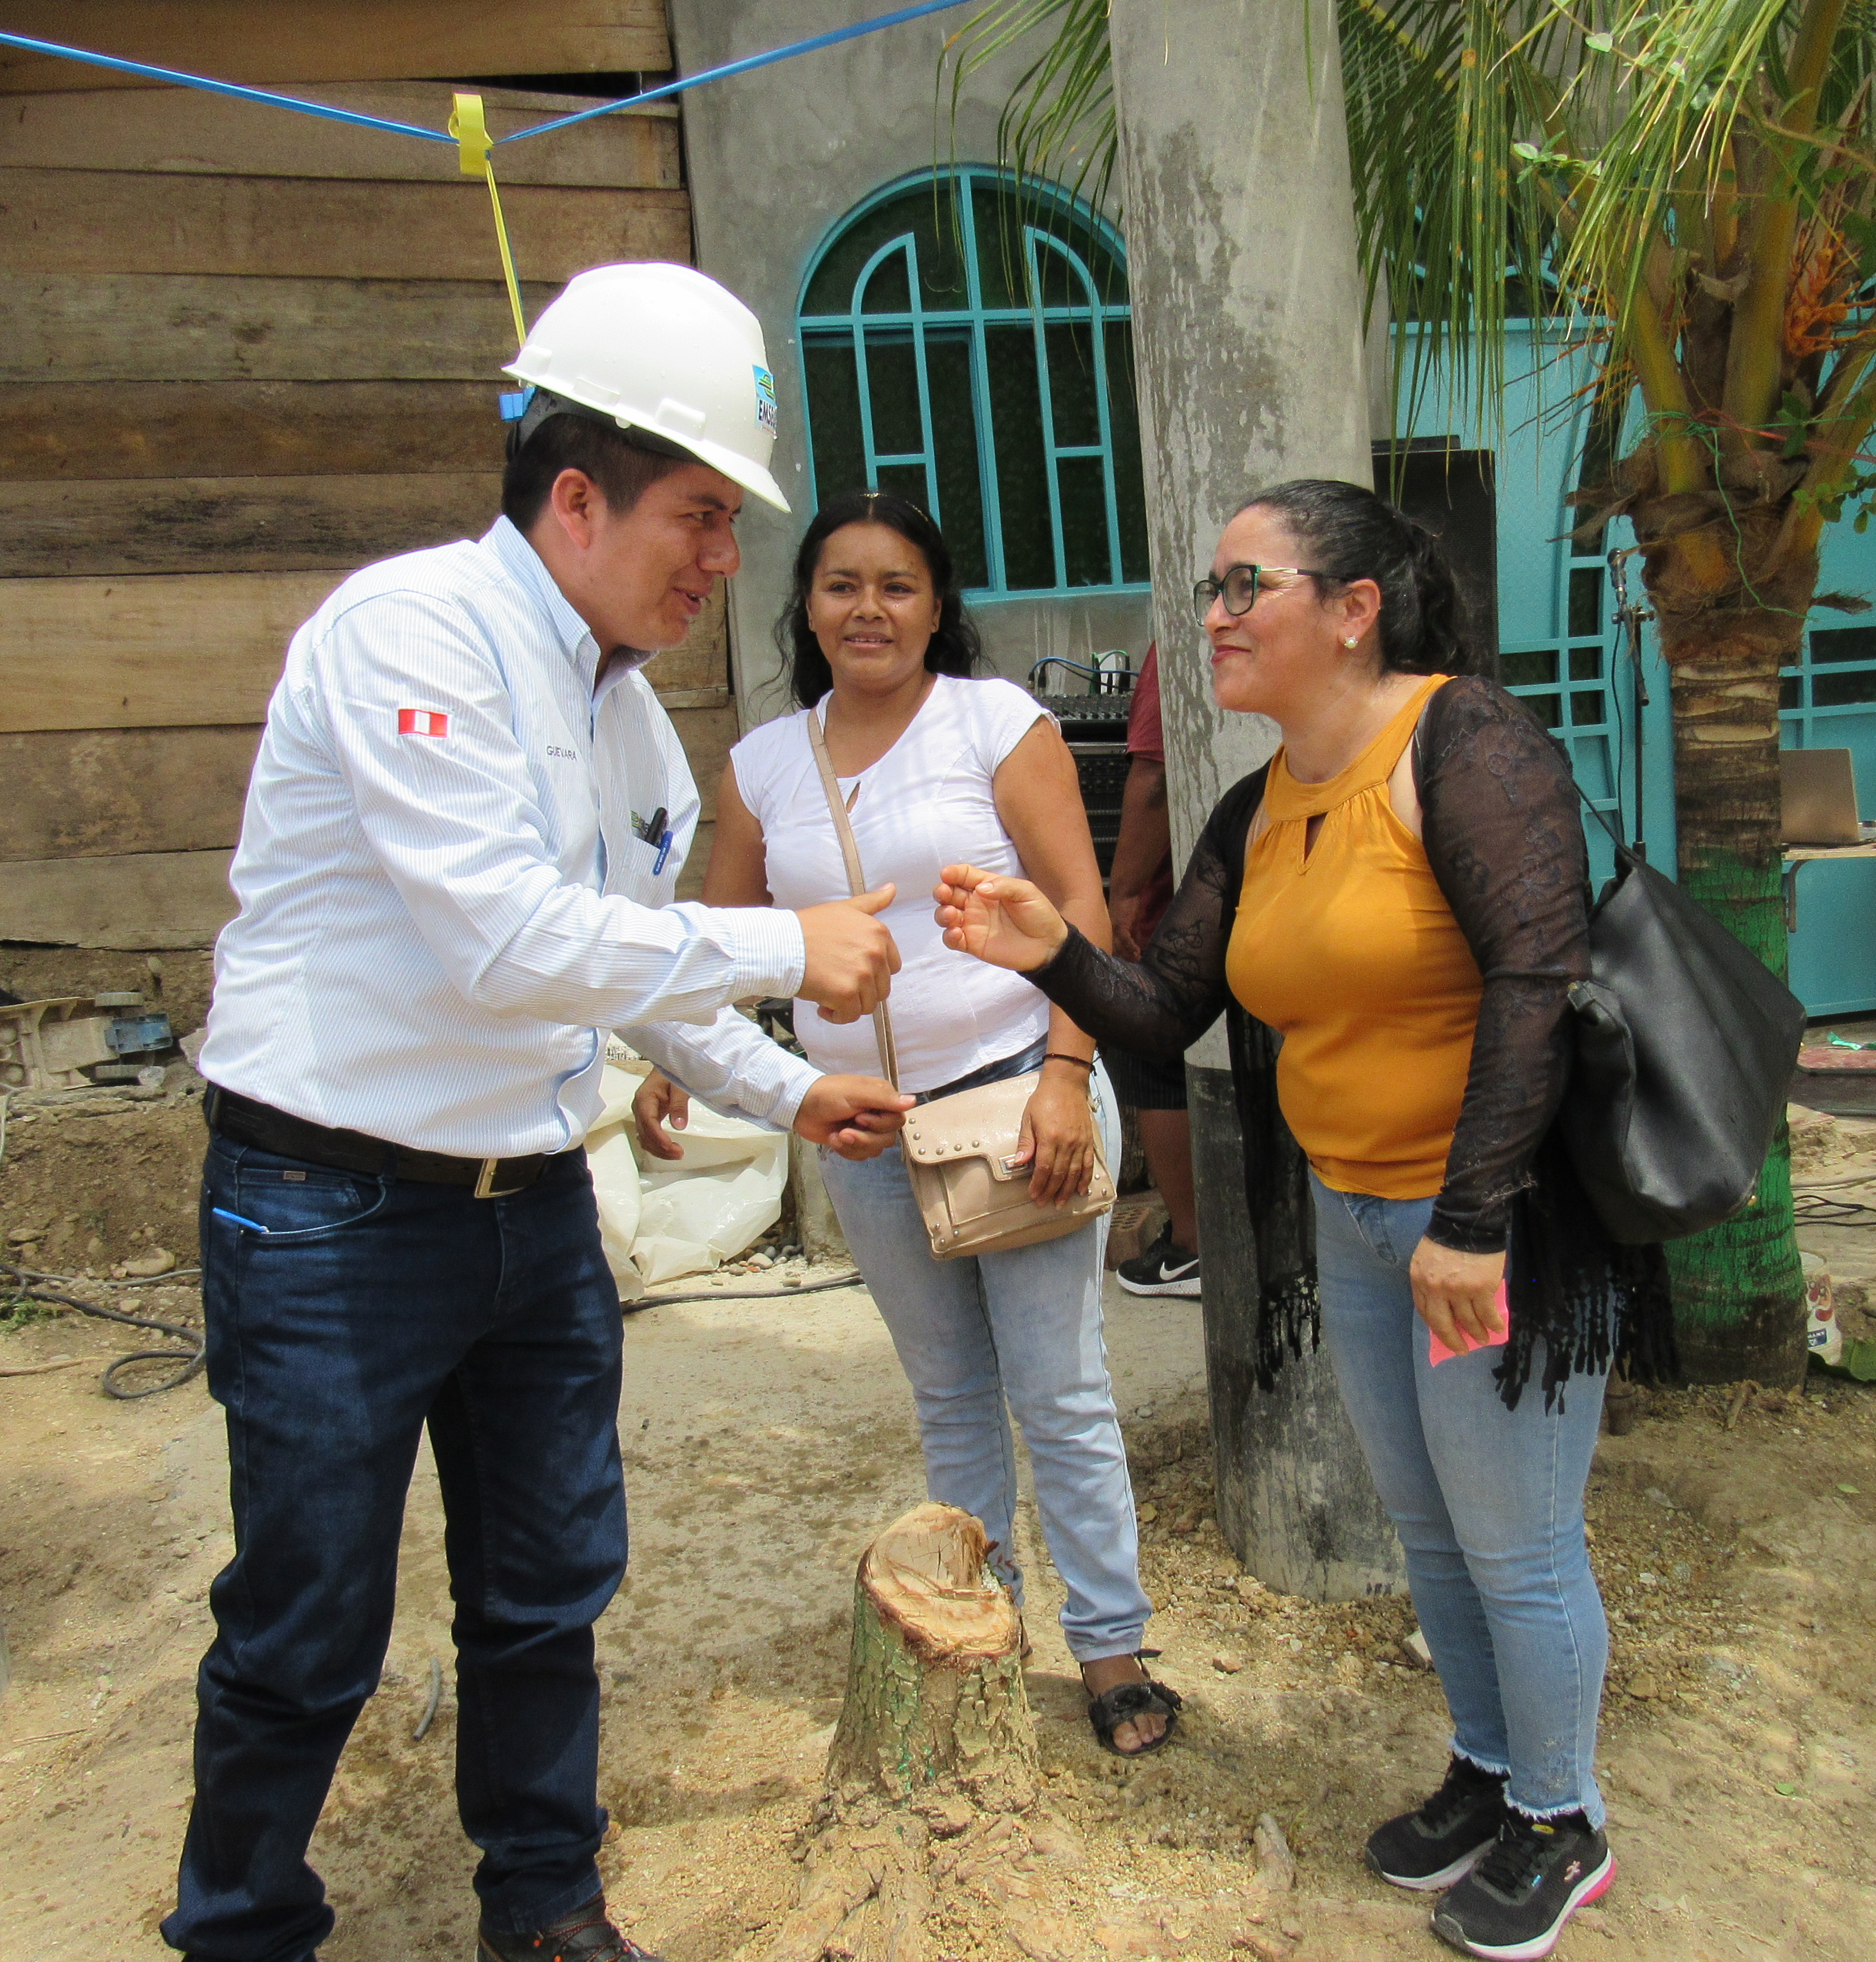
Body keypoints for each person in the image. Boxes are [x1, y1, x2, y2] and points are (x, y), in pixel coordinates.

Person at [170, 264, 916, 1962]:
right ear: (577, 500)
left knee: (545, 1585)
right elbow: (509, 942)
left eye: (731, 526)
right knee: (306, 1618)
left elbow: (630, 976)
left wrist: (795, 1089)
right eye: (701, 518)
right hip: (330, 1215)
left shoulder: (623, 712)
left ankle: (544, 1901)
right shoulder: (408, 637)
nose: (726, 564)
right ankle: (241, 1924)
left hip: (526, 1212)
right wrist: (789, 942)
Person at [932, 480, 1673, 1961]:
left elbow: (1537, 984)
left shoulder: (1466, 745)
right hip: (1355, 1215)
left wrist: (1471, 1221)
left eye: (1243, 584)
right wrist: (1053, 952)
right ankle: (1486, 1772)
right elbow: (1168, 1002)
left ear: (1354, 610)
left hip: (1496, 1223)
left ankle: (1563, 1819)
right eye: (1208, 588)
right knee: (1431, 1528)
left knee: (1518, 1539)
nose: (1210, 616)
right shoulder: (1262, 801)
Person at [635, 489, 1181, 1756]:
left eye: (896, 585)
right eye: (841, 585)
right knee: (949, 1398)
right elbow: (725, 946)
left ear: (938, 606)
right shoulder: (764, 764)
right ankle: (974, 1638)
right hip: (862, 1127)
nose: (868, 608)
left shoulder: (996, 725)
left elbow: (1081, 910)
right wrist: (679, 1060)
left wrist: (1063, 1072)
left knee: (1062, 1394)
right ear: (806, 606)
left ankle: (1111, 1649)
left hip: (1011, 1097)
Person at [1103, 645, 1200, 1298]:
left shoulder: (1183, 636)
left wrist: (1125, 890)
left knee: (1153, 1055)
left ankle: (1193, 1244)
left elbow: (1156, 777)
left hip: (1187, 892)